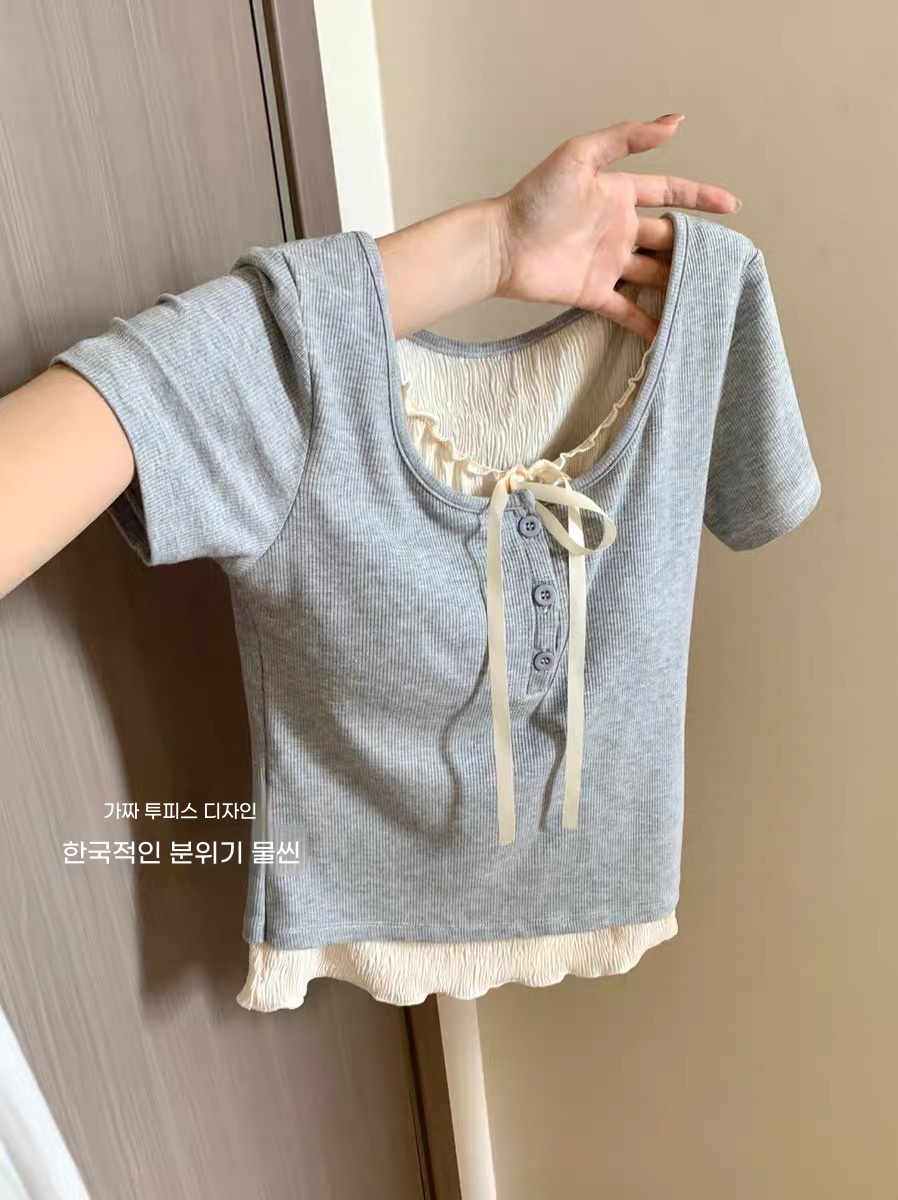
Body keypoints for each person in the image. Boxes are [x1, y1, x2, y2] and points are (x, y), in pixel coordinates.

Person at [0, 114, 738, 598]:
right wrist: (494, 245)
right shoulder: (300, 423)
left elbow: (760, 504)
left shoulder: (711, 295)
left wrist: (501, 245)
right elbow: (147, 391)